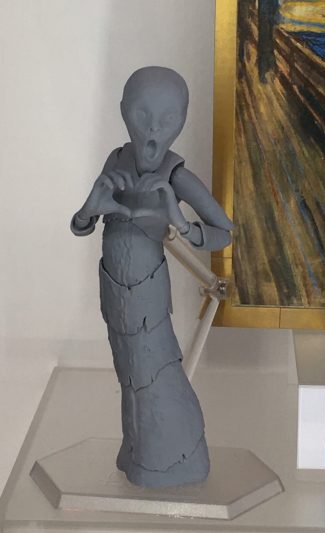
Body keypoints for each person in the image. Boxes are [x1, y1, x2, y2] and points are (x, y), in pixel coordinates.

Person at [71, 67, 233, 488]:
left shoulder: (176, 175)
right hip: (113, 286)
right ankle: (136, 450)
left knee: (153, 369)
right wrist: (90, 209)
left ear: (183, 119)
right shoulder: (116, 160)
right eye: (143, 115)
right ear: (124, 111)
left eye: (168, 118)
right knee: (126, 370)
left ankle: (172, 459)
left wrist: (180, 220)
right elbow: (82, 223)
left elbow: (224, 232)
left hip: (148, 295)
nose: (154, 131)